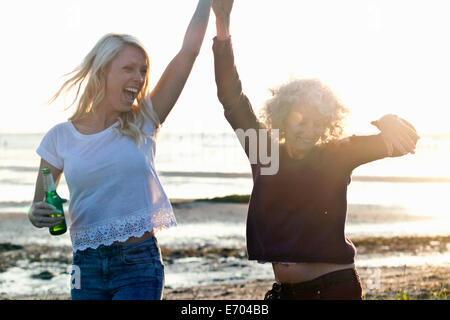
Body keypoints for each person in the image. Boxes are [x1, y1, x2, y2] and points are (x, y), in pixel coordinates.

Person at [212, 0, 419, 300]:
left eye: (318, 123)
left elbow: (406, 142)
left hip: (334, 289)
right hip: (286, 293)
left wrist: (390, 122)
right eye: (302, 120)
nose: (309, 131)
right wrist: (223, 26)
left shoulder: (337, 155)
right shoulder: (263, 150)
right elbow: (231, 95)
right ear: (283, 116)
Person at [28, 0, 213, 300]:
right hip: (84, 267)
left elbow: (187, 54)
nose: (139, 79)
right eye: (128, 69)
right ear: (101, 73)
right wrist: (37, 214)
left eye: (142, 71)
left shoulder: (145, 121)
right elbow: (39, 207)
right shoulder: (58, 138)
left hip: (138, 264)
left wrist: (207, 2)